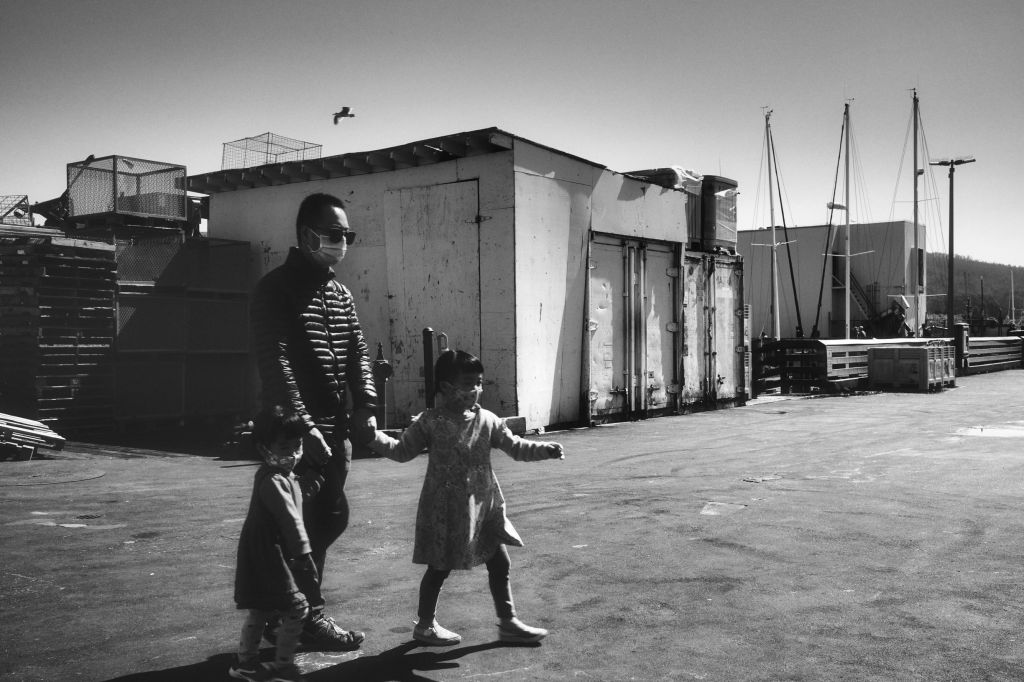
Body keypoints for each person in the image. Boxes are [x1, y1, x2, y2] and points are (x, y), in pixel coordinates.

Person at [354, 349, 565, 646]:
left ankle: (508, 622)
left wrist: (544, 449)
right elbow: (402, 451)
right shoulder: (430, 421)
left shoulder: (488, 420)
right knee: (439, 568)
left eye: (478, 382)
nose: (475, 389)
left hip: (483, 507)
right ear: (445, 387)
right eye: (467, 383)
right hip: (446, 511)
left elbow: (515, 447)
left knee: (500, 562)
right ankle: (425, 625)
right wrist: (372, 437)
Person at [250, 192, 376, 650]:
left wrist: (366, 403)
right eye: (335, 234)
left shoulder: (338, 292)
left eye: (348, 235)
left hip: (335, 427)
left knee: (329, 518)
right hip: (294, 435)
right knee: (296, 527)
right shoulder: (275, 289)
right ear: (307, 235)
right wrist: (306, 429)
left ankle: (290, 612)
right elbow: (275, 360)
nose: (342, 243)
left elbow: (358, 351)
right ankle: (303, 616)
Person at [231, 406, 314, 682]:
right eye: (284, 446)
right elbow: (290, 519)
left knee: (262, 608)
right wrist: (303, 553)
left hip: (262, 551)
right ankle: (283, 664)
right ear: (264, 448)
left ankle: (246, 663)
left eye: (297, 445)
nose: (292, 454)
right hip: (268, 553)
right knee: (297, 607)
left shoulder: (281, 477)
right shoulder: (274, 481)